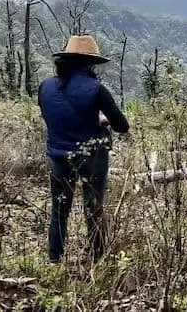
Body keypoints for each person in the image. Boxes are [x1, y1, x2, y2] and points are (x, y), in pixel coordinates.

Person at [37, 34, 129, 264]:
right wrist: (101, 121)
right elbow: (122, 126)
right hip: (92, 157)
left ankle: (54, 260)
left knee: (59, 211)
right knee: (93, 210)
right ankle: (99, 260)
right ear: (90, 62)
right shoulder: (96, 89)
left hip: (58, 156)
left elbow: (51, 116)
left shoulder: (45, 87)